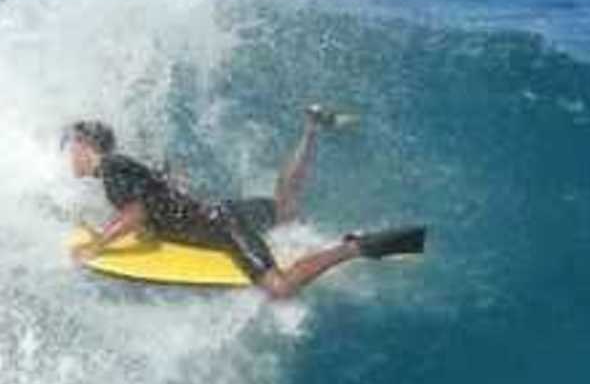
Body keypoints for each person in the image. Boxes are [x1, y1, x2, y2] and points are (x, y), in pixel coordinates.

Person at [64, 107, 426, 299]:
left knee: (280, 288)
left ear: (85, 145)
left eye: (71, 147)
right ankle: (312, 127)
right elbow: (161, 185)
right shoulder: (121, 165)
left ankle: (355, 247)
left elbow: (137, 209)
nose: (69, 156)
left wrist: (97, 245)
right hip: (220, 213)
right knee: (285, 210)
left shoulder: (112, 170)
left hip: (224, 228)